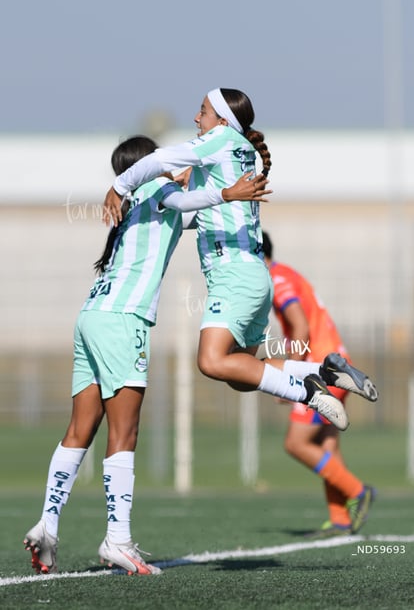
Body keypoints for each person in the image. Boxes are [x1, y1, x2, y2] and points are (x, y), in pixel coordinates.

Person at [23, 135, 271, 576]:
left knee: (80, 429)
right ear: (148, 166)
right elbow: (201, 200)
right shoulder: (159, 191)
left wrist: (239, 188)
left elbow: (201, 214)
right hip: (123, 320)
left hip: (92, 314)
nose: (174, 162)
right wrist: (232, 189)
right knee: (125, 431)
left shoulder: (138, 201)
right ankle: (117, 540)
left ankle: (48, 524)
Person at [103, 87, 378, 436]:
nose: (195, 118)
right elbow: (193, 210)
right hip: (253, 275)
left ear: (221, 120)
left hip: (233, 275)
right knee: (242, 372)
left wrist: (119, 186)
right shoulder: (239, 150)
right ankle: (325, 373)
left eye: (201, 111)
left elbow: (160, 160)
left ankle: (308, 393)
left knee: (210, 361)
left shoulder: (219, 139)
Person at [262, 231, 376, 537]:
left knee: (296, 442)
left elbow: (298, 324)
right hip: (335, 362)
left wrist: (290, 376)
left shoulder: (276, 278)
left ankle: (358, 491)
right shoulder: (285, 273)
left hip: (323, 370)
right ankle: (340, 520)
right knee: (327, 444)